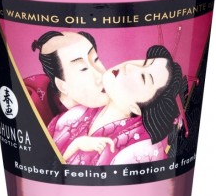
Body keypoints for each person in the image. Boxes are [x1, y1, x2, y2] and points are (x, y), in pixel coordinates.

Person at [48, 45, 187, 165]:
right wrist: (76, 144)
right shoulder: (78, 114)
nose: (129, 66)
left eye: (143, 77)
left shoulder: (140, 150)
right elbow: (45, 163)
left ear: (138, 108)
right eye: (144, 62)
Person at [27, 31, 109, 124]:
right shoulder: (32, 103)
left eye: (96, 59)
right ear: (62, 85)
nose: (100, 76)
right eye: (83, 68)